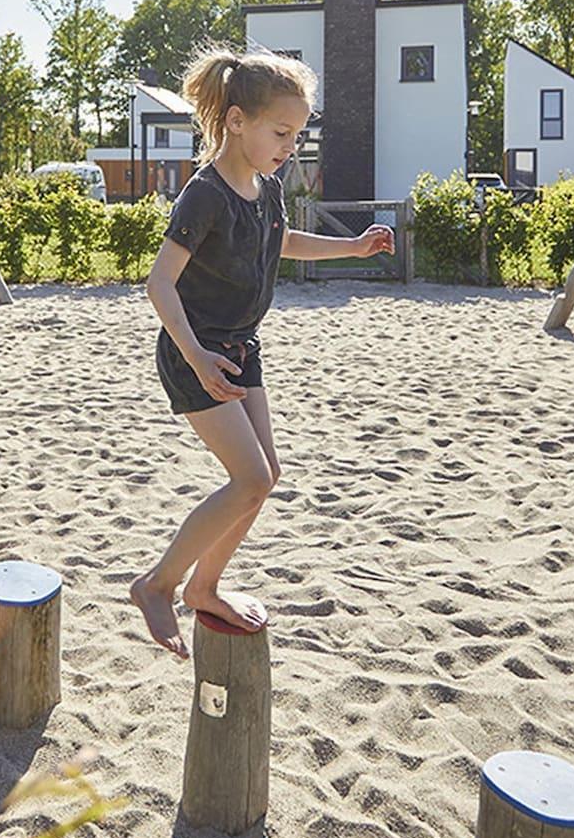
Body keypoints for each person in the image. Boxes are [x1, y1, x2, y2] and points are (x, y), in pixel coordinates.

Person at [129, 47, 394, 659]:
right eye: (281, 132)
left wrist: (351, 248)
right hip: (195, 353)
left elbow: (281, 241)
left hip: (241, 350)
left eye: (297, 135)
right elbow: (159, 283)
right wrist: (197, 357)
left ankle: (204, 587)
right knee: (249, 478)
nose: (290, 147)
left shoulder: (267, 189)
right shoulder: (204, 194)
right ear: (237, 121)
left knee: (264, 477)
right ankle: (156, 585)